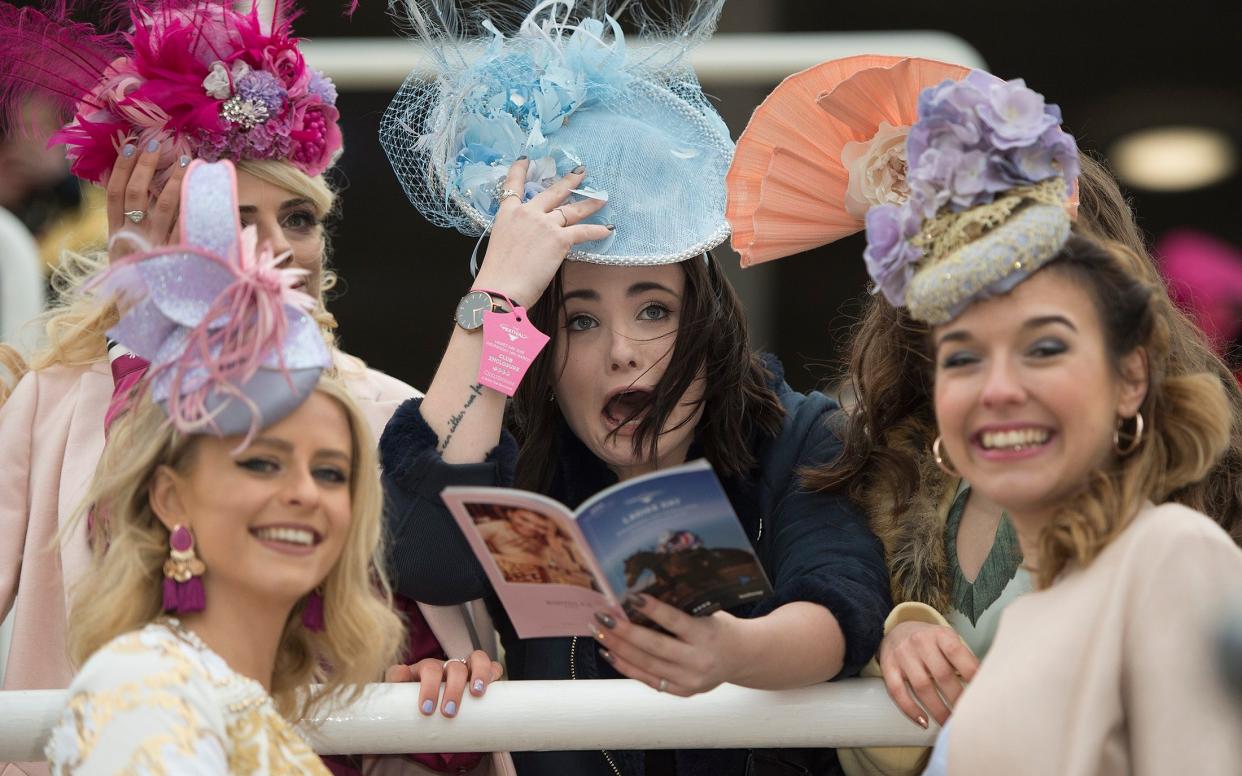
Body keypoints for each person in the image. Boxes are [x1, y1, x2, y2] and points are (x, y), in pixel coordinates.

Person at [377, 3, 890, 774]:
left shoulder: (794, 434)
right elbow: (425, 558)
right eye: (580, 322)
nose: (622, 352)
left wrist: (730, 650)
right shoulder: (518, 460)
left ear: (706, 324)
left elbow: (843, 604)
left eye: (654, 309)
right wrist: (495, 303)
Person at [0, 4, 506, 775]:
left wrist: (434, 696)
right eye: (232, 217)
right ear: (160, 229)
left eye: (297, 217)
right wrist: (145, 335)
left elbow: (420, 687)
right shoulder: (51, 402)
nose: (275, 250)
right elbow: (125, 573)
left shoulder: (378, 411)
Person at [726, 57, 1242, 775]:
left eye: (1044, 345)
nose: (997, 388)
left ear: (1131, 373)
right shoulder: (1035, 608)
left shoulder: (1174, 552)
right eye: (962, 355)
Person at [40, 158, 441, 773]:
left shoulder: (232, 705)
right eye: (261, 463)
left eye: (333, 473)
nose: (306, 493)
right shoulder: (144, 689)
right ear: (168, 496)